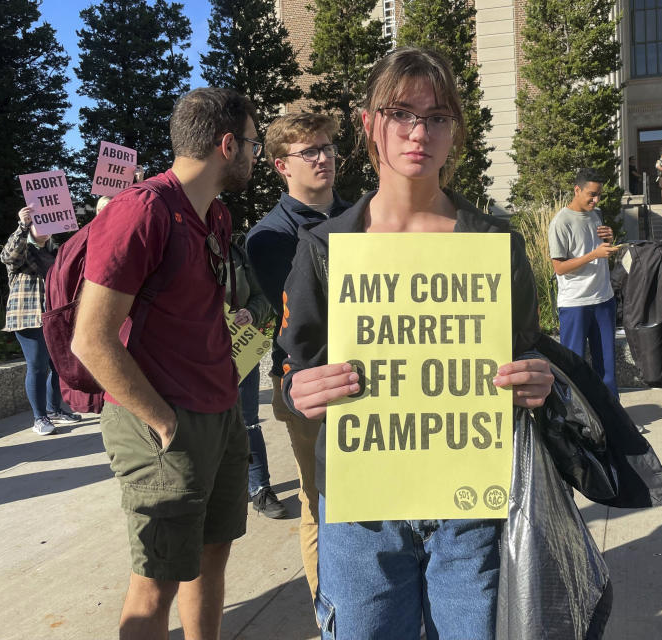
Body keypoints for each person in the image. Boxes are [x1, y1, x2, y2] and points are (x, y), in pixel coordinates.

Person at [279, 47, 553, 637]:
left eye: (437, 116)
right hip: (362, 513)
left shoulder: (495, 244)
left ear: (455, 128)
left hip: (470, 507)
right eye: (400, 112)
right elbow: (291, 371)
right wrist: (298, 390)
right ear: (368, 123)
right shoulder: (325, 249)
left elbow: (529, 348)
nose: (418, 132)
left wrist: (535, 376)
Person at [71, 87, 259, 639]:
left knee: (209, 560)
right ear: (227, 145)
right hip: (162, 423)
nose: (253, 153)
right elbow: (91, 339)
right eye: (250, 142)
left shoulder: (216, 216)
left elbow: (191, 304)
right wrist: (162, 422)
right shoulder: (141, 211)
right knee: (156, 581)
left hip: (221, 413)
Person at [246, 111, 351, 593]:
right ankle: (328, 611)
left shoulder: (365, 217)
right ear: (280, 165)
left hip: (371, 375)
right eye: (309, 151)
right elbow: (302, 320)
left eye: (328, 147)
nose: (323, 157)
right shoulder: (269, 236)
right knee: (321, 503)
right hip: (310, 382)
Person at [0, 206, 81, 435]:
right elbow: (8, 256)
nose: (44, 229)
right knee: (37, 366)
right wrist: (22, 225)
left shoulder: (56, 253)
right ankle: (39, 418)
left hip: (53, 317)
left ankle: (54, 409)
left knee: (58, 367)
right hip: (27, 316)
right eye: (39, 224)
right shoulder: (23, 250)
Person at [548, 168, 620, 397]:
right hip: (575, 303)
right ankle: (576, 421)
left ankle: (613, 420)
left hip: (604, 299)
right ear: (577, 190)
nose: (596, 199)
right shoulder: (561, 222)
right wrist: (594, 255)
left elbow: (598, 249)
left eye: (599, 194)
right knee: (573, 367)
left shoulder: (596, 214)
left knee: (607, 368)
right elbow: (559, 267)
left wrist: (609, 240)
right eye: (591, 194)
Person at [226, 235, 282, 517]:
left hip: (239, 349)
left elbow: (263, 296)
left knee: (247, 421)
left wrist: (251, 313)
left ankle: (259, 488)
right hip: (192, 356)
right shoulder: (175, 245)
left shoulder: (235, 251)